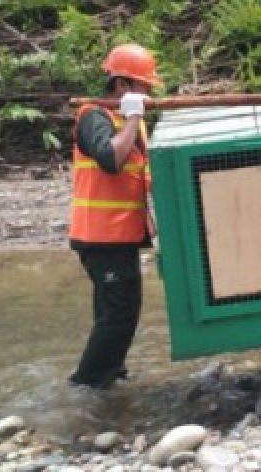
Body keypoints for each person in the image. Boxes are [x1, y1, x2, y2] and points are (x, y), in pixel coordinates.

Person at [67, 43, 161, 389]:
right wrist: (135, 117)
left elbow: (143, 177)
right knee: (118, 315)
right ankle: (87, 384)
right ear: (121, 86)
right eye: (143, 87)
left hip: (120, 235)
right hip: (99, 236)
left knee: (119, 311)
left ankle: (109, 372)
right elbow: (110, 159)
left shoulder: (127, 123)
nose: (148, 95)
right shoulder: (94, 116)